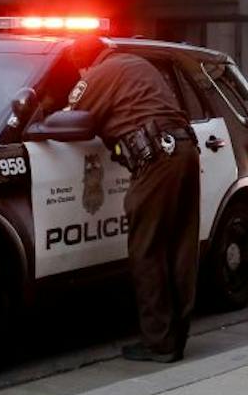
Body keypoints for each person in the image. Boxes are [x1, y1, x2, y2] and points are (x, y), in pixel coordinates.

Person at [63, 36, 200, 363]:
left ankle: (158, 343)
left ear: (85, 64)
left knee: (147, 250)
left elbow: (70, 117)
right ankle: (176, 337)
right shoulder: (139, 63)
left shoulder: (97, 75)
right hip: (185, 151)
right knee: (180, 248)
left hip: (155, 160)